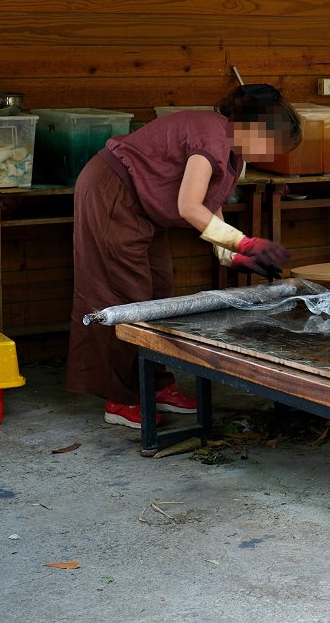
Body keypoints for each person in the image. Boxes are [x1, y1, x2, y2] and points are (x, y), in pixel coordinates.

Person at [66, 84, 301, 428]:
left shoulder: (230, 146)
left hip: (143, 207)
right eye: (273, 146)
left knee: (159, 294)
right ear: (255, 128)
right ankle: (122, 398)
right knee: (125, 295)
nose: (273, 156)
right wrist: (244, 243)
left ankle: (156, 384)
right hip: (113, 192)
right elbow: (188, 207)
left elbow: (210, 207)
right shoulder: (212, 137)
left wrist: (233, 254)